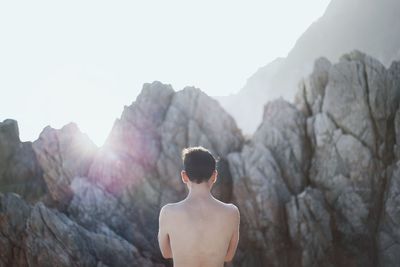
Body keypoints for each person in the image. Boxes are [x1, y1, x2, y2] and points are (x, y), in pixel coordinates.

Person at [158, 146, 240, 267]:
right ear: (214, 176)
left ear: (184, 176)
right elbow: (228, 256)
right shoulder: (231, 212)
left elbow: (166, 253)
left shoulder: (168, 212)